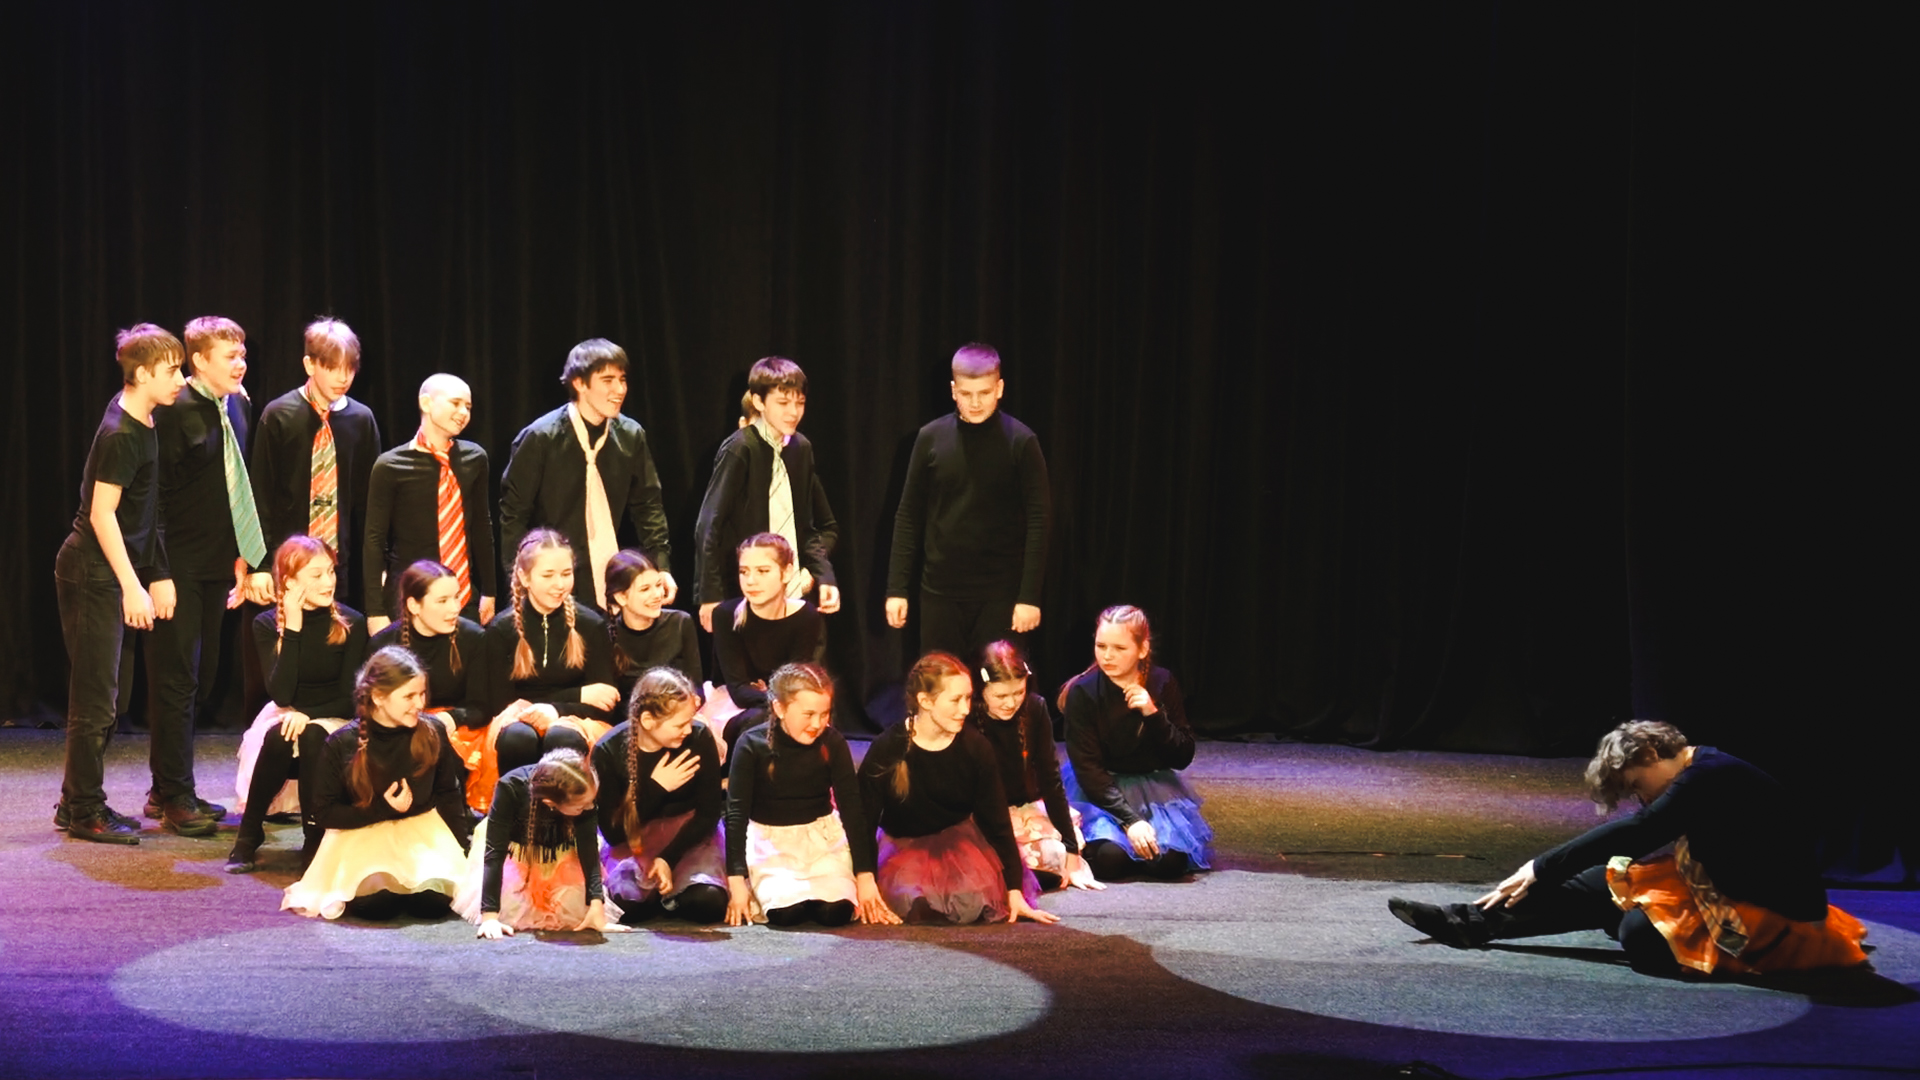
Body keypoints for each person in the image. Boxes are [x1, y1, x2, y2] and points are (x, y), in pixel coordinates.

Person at [1387, 721, 1870, 978]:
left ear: (1651, 754)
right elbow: (1644, 829)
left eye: (1637, 784)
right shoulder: (1701, 772)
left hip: (1766, 913)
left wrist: (1540, 864)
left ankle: (1616, 920)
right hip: (1715, 881)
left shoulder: (1711, 774)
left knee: (1639, 936)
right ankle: (1467, 923)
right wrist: (1549, 871)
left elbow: (1642, 829)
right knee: (1597, 882)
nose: (1641, 797)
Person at [54, 324, 186, 844]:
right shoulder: (121, 434)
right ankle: (84, 809)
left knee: (113, 695)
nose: (180, 379)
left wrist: (159, 574)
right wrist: (133, 585)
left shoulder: (144, 418)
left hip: (111, 571)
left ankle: (74, 800)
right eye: (172, 370)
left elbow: (144, 512)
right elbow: (102, 514)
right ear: (144, 373)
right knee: (95, 701)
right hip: (92, 571)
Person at [144, 316, 274, 836]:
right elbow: (153, 498)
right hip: (178, 567)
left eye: (242, 354)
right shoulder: (173, 410)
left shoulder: (237, 405)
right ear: (198, 361)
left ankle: (165, 786)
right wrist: (158, 572)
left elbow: (236, 487)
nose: (241, 363)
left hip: (218, 567)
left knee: (202, 677)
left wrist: (244, 558)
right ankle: (175, 796)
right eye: (229, 356)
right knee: (177, 680)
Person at [859, 652, 1058, 925]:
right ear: (925, 701)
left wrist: (1014, 889)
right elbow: (863, 820)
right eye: (955, 700)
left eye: (968, 698)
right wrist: (865, 876)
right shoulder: (889, 747)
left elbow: (997, 822)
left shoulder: (975, 748)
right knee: (912, 901)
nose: (965, 709)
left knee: (972, 902)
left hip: (959, 844)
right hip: (904, 847)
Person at [885, 343, 1049, 661]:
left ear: (999, 388)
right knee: (940, 681)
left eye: (984, 393)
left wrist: (1029, 597)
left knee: (997, 681)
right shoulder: (930, 438)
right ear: (953, 390)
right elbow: (908, 515)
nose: (975, 403)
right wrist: (896, 588)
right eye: (966, 393)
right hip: (940, 593)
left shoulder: (1021, 442)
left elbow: (1039, 522)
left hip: (1000, 594)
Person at [282, 646, 472, 921]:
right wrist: (382, 809)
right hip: (364, 832)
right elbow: (324, 812)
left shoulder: (432, 731)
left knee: (433, 904)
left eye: (421, 694)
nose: (419, 704)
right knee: (376, 906)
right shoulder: (343, 743)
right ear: (378, 697)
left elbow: (448, 794)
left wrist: (461, 850)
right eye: (409, 696)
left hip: (421, 834)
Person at [498, 338, 674, 609]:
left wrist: (661, 566)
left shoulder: (630, 436)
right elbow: (514, 517)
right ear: (579, 383)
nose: (619, 389)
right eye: (608, 380)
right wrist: (520, 584)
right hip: (554, 581)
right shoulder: (541, 438)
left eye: (622, 380)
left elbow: (648, 506)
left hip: (610, 578)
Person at [229, 535, 370, 872]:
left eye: (330, 572)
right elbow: (281, 695)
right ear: (290, 582)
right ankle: (248, 835)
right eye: (316, 575)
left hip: (335, 716)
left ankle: (314, 837)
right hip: (287, 712)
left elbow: (350, 699)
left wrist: (308, 716)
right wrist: (292, 627)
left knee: (311, 735)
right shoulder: (266, 625)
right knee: (280, 737)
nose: (328, 582)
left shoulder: (352, 623)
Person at [724, 663, 896, 928]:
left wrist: (865, 875)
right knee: (786, 915)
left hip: (820, 843)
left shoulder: (832, 742)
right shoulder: (751, 744)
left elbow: (852, 809)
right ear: (780, 708)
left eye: (824, 714)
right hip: (771, 847)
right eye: (808, 714)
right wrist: (737, 881)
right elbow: (736, 814)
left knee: (836, 913)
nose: (818, 724)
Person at [1059, 605, 1212, 881]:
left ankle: (1140, 849)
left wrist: (1154, 715)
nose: (1107, 656)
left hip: (1152, 789)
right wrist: (1130, 821)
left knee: (1168, 863)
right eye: (1101, 646)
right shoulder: (1083, 692)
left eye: (1119, 648)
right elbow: (1089, 770)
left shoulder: (1162, 682)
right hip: (1102, 791)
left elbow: (1182, 756)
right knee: (1110, 860)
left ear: (1142, 649)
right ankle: (1116, 845)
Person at [471, 529, 620, 811]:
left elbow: (605, 704)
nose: (559, 584)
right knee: (518, 738)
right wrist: (577, 694)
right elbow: (499, 703)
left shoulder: (591, 625)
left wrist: (556, 710)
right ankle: (518, 817)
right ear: (525, 577)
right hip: (518, 716)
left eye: (566, 574)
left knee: (562, 738)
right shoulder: (502, 630)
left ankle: (567, 820)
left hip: (576, 720)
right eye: (548, 575)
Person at [693, 357, 840, 631]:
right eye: (783, 403)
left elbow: (809, 527)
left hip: (791, 592)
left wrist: (823, 575)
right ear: (759, 402)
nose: (793, 412)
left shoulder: (801, 448)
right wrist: (709, 594)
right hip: (744, 592)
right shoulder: (741, 448)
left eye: (800, 403)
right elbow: (709, 525)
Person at [251, 317, 381, 616]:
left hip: (341, 564)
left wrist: (376, 567)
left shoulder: (361, 420)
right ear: (309, 365)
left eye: (349, 368)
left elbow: (369, 502)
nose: (343, 378)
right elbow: (261, 494)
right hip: (288, 562)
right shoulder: (280, 415)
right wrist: (260, 564)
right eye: (332, 367)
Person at [591, 667, 728, 925]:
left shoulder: (699, 738)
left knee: (709, 903)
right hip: (636, 840)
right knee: (627, 907)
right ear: (648, 720)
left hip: (688, 839)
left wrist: (667, 858)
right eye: (680, 724)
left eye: (690, 721)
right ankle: (662, 897)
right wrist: (657, 788)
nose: (688, 729)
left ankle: (673, 894)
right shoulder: (608, 751)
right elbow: (613, 833)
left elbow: (708, 813)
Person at [363, 374, 496, 633]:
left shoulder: (474, 458)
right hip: (410, 597)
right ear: (426, 403)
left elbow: (482, 527)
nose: (463, 412)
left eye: (468, 407)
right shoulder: (391, 466)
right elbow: (374, 540)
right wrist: (375, 610)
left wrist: (489, 590)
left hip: (461, 595)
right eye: (455, 403)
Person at [974, 639, 1099, 891]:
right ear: (981, 689)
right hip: (983, 816)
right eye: (1000, 695)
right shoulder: (967, 717)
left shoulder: (1034, 708)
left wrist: (1071, 851)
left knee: (1055, 857)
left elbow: (1050, 780)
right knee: (987, 862)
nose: (1011, 703)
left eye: (1018, 693)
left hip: (1022, 809)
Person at [368, 560, 491, 805]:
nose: (454, 608)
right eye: (442, 601)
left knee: (442, 744)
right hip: (401, 724)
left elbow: (483, 706)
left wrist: (451, 718)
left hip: (459, 728)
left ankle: (456, 815)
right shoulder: (384, 644)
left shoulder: (474, 638)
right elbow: (370, 705)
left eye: (456, 597)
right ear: (414, 605)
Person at [455, 748, 615, 936]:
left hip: (560, 857)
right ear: (550, 803)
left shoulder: (583, 796)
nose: (590, 808)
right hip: (516, 856)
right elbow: (495, 853)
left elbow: (588, 849)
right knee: (513, 905)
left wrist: (596, 905)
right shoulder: (510, 787)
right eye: (581, 806)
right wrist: (490, 918)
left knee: (574, 906)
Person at [711, 533, 825, 754]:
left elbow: (794, 680)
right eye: (744, 572)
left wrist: (777, 693)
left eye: (762, 571)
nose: (751, 581)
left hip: (784, 703)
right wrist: (776, 694)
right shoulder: (726, 615)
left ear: (786, 572)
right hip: (736, 706)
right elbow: (739, 690)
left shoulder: (806, 616)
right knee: (758, 722)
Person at [603, 548, 701, 698]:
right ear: (621, 597)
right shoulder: (605, 635)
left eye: (658, 585)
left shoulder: (680, 623)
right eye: (645, 589)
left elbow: (696, 689)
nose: (657, 595)